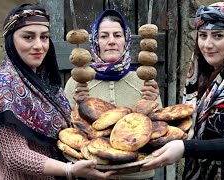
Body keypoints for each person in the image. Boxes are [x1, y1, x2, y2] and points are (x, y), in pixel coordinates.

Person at [141, 2, 224, 180]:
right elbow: (197, 119)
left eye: (218, 36)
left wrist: (185, 148)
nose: (207, 44)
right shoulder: (207, 74)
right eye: (203, 35)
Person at [0, 4, 114, 180]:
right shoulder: (2, 88)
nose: (39, 45)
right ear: (11, 41)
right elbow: (15, 155)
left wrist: (80, 107)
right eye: (28, 37)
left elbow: (62, 134)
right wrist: (69, 170)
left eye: (44, 37)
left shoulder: (48, 86)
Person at [64, 9, 162, 180]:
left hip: (138, 174)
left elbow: (159, 131)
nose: (111, 41)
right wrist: (77, 105)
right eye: (104, 36)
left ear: (126, 40)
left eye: (117, 35)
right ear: (95, 41)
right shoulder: (77, 82)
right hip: (93, 174)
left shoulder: (143, 81)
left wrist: (152, 104)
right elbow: (68, 131)